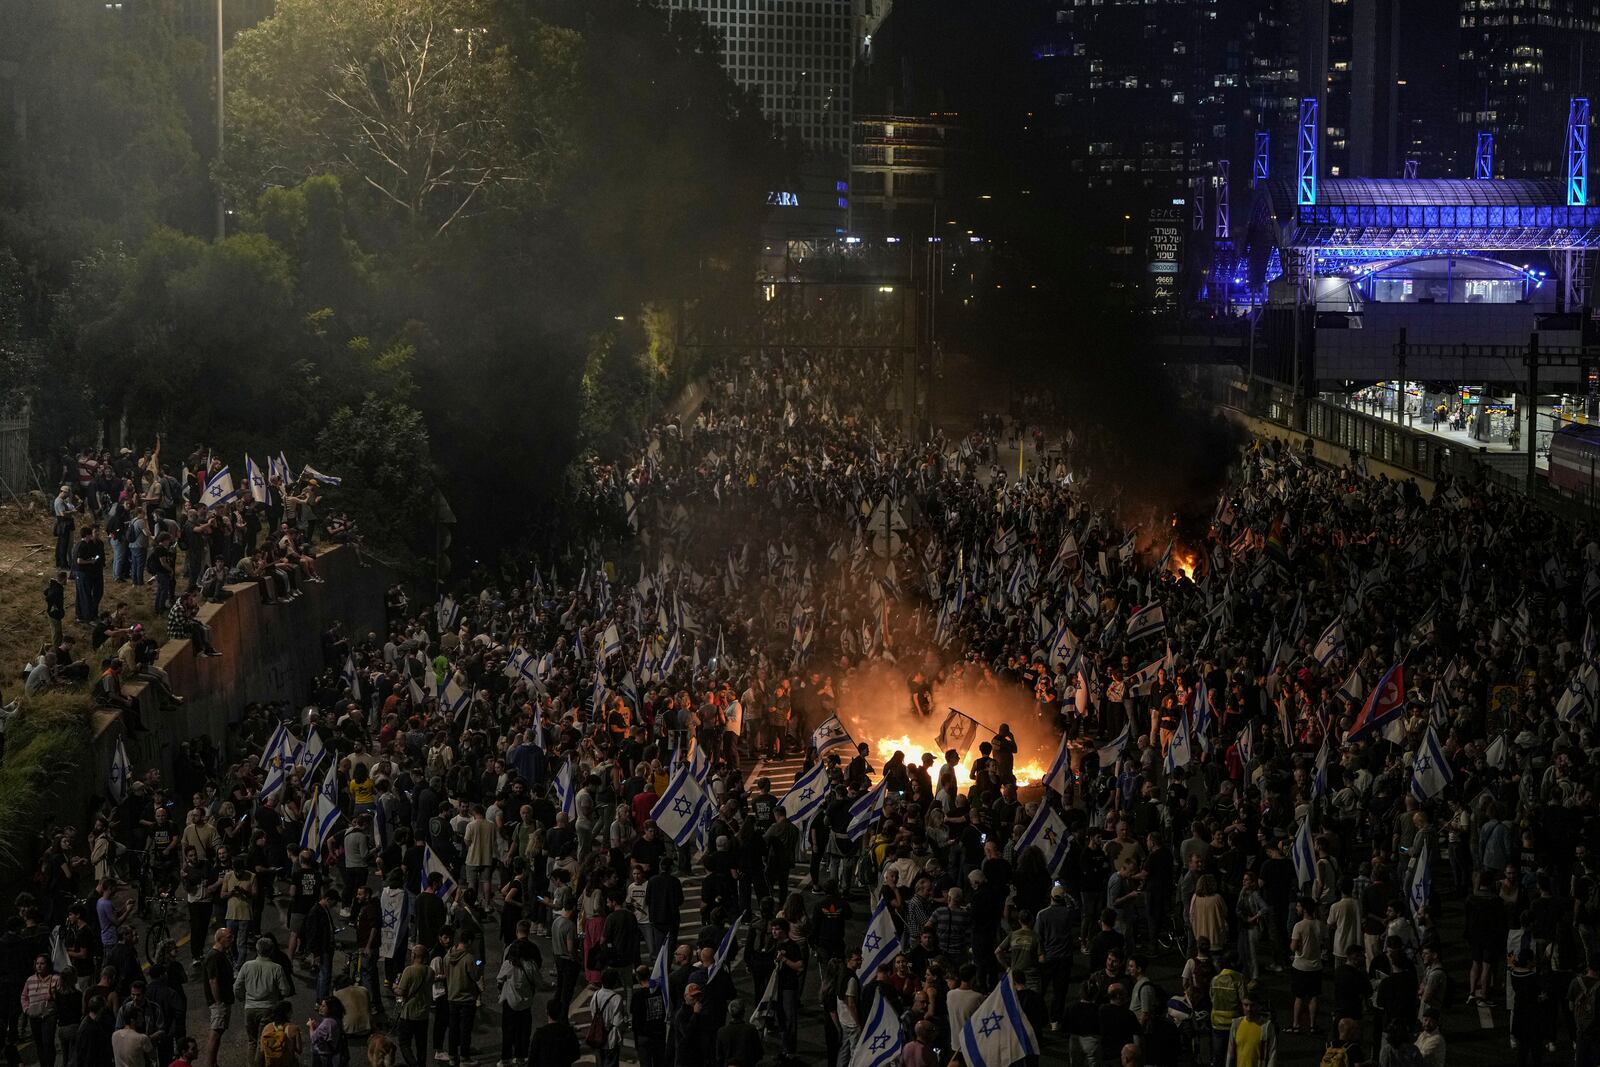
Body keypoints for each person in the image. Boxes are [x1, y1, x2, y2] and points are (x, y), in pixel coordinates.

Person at [1223, 988, 1278, 1067]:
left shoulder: (1266, 1026)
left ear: (1258, 1006)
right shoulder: (1236, 1024)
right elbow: (1230, 1052)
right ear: (1242, 1005)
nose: (1249, 1009)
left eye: (1252, 1005)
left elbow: (1272, 1053)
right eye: (1246, 1005)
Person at [305, 999, 344, 1067]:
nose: (320, 1008)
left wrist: (310, 1026)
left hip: (323, 1055)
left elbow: (313, 1038)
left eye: (323, 1006)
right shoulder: (336, 1019)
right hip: (333, 1053)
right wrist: (317, 1026)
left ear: (331, 1009)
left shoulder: (327, 1023)